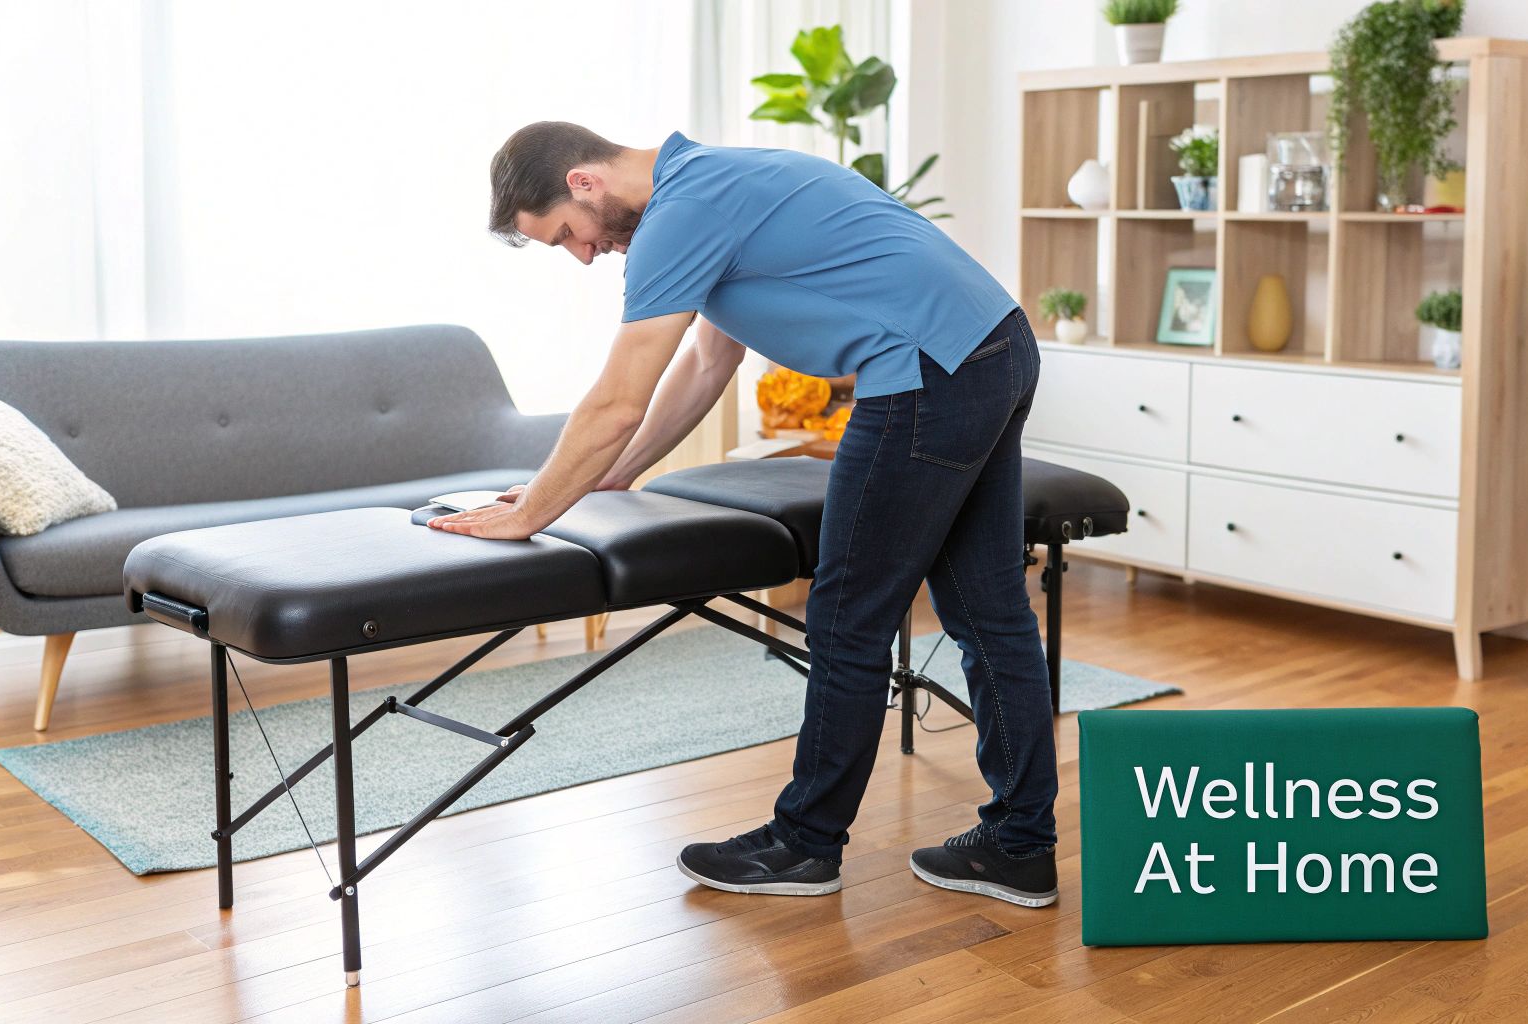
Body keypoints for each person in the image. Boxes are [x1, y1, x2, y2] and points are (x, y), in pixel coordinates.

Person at [427, 122, 1058, 907]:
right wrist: (614, 475)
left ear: (585, 182)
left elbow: (620, 398)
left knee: (848, 617)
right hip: (990, 347)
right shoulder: (719, 181)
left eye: (567, 237)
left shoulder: (681, 213)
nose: (585, 256)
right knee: (987, 610)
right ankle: (1020, 846)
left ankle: (805, 845)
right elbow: (707, 360)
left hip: (926, 375)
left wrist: (531, 514)